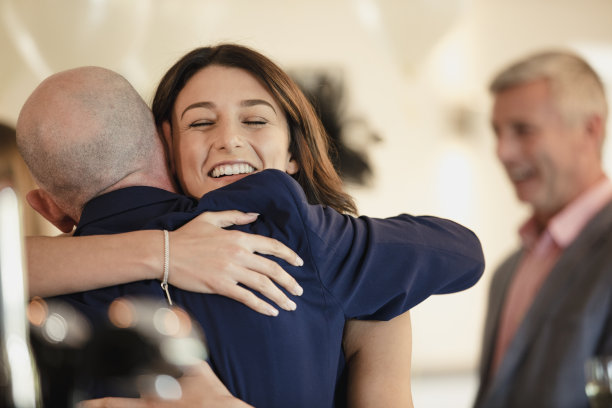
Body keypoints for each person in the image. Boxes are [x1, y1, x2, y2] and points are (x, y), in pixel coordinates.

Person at [18, 45, 483, 407]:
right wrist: (165, 251)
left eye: (256, 119)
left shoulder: (328, 249)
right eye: (200, 122)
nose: (229, 139)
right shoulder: (56, 280)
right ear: (165, 144)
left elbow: (461, 250)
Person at [474, 50, 612, 408]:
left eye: (523, 130)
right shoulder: (506, 271)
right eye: (497, 132)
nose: (502, 152)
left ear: (589, 130)